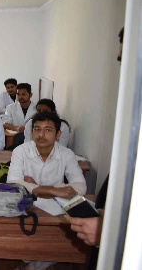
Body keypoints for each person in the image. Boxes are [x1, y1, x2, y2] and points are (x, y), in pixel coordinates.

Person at [64, 27, 123, 270]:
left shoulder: (67, 155)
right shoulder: (22, 153)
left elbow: (79, 187)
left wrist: (112, 232)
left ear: (59, 134)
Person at [7, 112, 86, 199]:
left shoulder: (67, 154)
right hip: (27, 204)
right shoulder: (20, 151)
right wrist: (53, 191)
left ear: (58, 134)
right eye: (37, 129)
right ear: (32, 133)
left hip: (55, 205)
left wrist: (34, 187)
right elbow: (13, 183)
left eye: (48, 130)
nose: (41, 134)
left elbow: (81, 186)